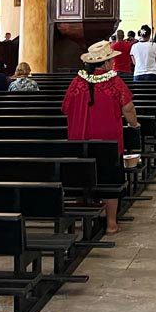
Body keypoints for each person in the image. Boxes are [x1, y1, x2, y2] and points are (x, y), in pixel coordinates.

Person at [62, 41, 140, 233]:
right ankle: (111, 223)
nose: (113, 63)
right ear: (104, 64)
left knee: (82, 177)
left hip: (80, 140)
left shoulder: (77, 82)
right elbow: (128, 108)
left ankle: (81, 218)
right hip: (108, 140)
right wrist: (134, 124)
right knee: (109, 179)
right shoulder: (114, 81)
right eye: (111, 60)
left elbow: (65, 108)